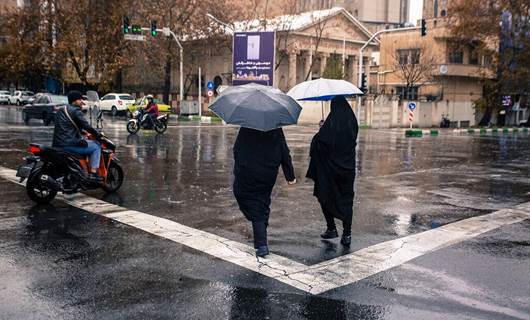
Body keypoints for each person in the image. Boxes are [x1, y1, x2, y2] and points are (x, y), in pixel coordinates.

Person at [233, 127, 296, 257]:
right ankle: (261, 227)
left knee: (254, 205)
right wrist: (290, 176)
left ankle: (262, 243)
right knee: (262, 201)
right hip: (268, 173)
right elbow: (284, 152)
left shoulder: (247, 126)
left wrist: (240, 168)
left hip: (249, 171)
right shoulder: (276, 127)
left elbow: (237, 149)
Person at [306, 96, 359, 247]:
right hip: (348, 170)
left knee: (325, 196)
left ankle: (331, 228)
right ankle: (347, 234)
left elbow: (321, 144)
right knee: (347, 201)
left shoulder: (331, 124)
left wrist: (322, 130)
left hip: (329, 171)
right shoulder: (352, 122)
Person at [52, 91, 102, 182]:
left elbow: (66, 126)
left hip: (57, 144)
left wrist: (82, 132)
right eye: (80, 99)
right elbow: (86, 126)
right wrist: (98, 136)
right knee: (96, 146)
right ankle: (93, 174)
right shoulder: (75, 110)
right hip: (69, 144)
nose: (82, 102)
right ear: (74, 101)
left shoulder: (61, 109)